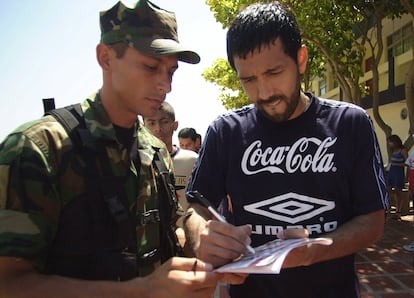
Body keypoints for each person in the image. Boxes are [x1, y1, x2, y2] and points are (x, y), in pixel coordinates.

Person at [0, 1, 246, 297]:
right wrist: (143, 291)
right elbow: (8, 282)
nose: (165, 85)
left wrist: (201, 240)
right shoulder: (39, 148)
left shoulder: (154, 152)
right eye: (151, 67)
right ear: (105, 57)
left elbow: (167, 233)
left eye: (171, 71)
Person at [183, 2, 390, 298]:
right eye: (249, 80)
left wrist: (312, 252)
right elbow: (195, 208)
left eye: (274, 71)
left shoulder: (350, 123)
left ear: (301, 59)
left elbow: (372, 222)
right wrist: (200, 233)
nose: (264, 93)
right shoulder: (224, 132)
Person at [386, 134, 408, 220]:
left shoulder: (403, 150)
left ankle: (398, 211)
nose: (389, 144)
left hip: (398, 173)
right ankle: (388, 207)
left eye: (391, 142)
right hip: (391, 172)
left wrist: (397, 164)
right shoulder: (392, 151)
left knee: (398, 192)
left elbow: (407, 163)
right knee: (388, 190)